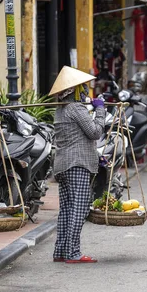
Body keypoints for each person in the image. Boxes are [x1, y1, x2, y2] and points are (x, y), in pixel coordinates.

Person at [50, 66, 106, 264]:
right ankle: (73, 252)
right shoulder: (76, 108)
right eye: (82, 88)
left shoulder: (61, 109)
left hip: (63, 163)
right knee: (79, 208)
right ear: (75, 90)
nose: (85, 92)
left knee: (66, 208)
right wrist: (100, 110)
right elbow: (95, 132)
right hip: (77, 164)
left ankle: (61, 251)